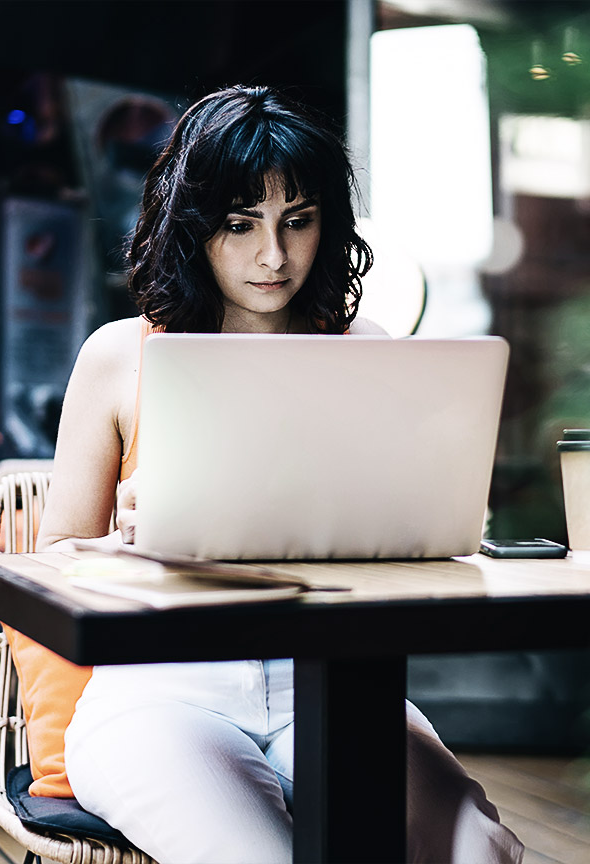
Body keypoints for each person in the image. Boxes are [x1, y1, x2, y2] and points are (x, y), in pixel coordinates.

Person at [34, 86, 524, 864]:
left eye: (297, 220)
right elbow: (53, 556)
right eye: (241, 224)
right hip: (163, 694)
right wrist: (129, 542)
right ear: (194, 227)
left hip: (334, 685)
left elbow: (419, 535)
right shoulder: (120, 354)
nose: (274, 256)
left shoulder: (370, 350)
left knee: (477, 850)